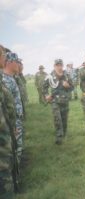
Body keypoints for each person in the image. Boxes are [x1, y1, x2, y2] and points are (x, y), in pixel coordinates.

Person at [0, 44, 19, 198]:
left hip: (10, 129)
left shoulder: (6, 80)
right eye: (3, 55)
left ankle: (16, 181)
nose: (4, 57)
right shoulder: (5, 81)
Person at [43, 59, 73, 145]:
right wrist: (46, 95)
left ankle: (64, 134)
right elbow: (44, 87)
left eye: (60, 65)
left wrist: (67, 86)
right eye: (57, 65)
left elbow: (72, 87)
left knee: (64, 119)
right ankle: (59, 137)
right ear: (54, 66)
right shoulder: (50, 76)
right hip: (54, 101)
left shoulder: (66, 76)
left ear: (62, 66)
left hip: (65, 101)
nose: (59, 67)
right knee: (57, 119)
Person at [2, 52, 24, 159]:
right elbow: (5, 105)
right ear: (10, 62)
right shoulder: (5, 80)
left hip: (16, 120)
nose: (19, 65)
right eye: (17, 62)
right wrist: (12, 124)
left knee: (17, 148)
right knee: (14, 151)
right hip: (12, 123)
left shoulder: (10, 78)